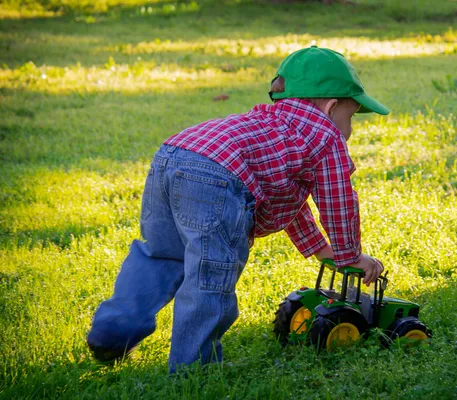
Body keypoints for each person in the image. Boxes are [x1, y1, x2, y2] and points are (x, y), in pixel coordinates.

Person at [86, 46, 388, 373]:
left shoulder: (273, 124)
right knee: (210, 275)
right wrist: (349, 256)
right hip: (218, 176)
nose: (351, 128)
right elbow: (338, 202)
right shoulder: (326, 136)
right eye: (352, 116)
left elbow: (287, 200)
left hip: (172, 155)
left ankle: (113, 332)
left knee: (162, 257)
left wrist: (319, 249)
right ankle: (194, 372)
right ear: (331, 107)